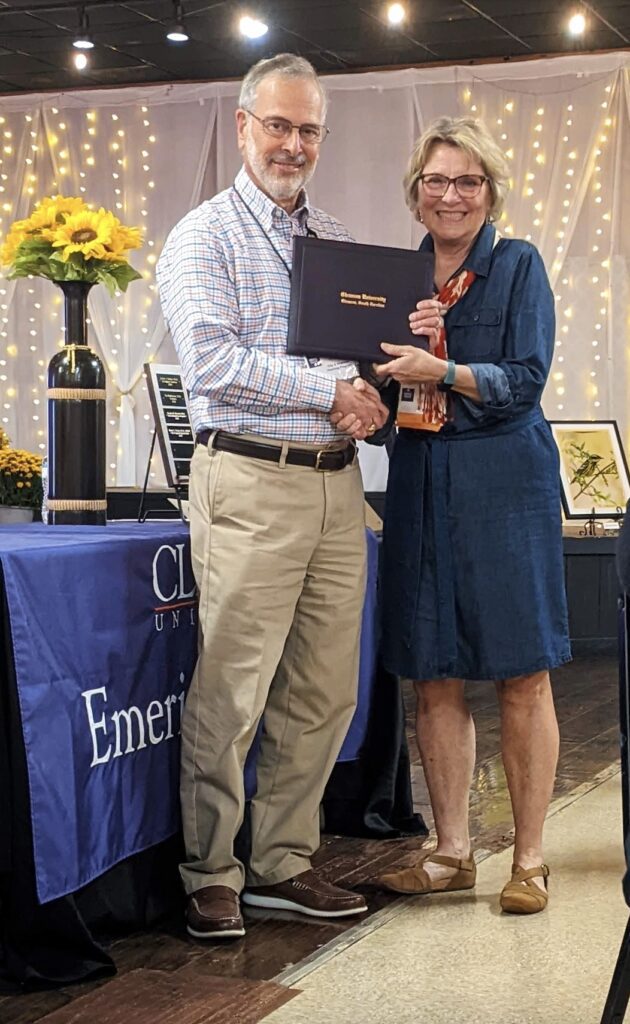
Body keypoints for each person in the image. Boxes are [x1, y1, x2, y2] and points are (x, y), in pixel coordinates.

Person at [156, 53, 388, 941]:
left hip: (337, 489)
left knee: (322, 694)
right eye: (278, 125)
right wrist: (331, 391)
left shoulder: (333, 241)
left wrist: (380, 377)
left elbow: (353, 362)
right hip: (249, 478)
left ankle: (283, 864)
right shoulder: (201, 236)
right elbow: (211, 363)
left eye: (309, 130)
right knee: (234, 691)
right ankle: (211, 871)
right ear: (245, 123)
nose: (293, 143)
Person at [373, 116, 571, 914]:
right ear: (416, 194)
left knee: (523, 672)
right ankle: (452, 851)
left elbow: (524, 379)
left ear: (490, 191)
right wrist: (368, 398)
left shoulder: (517, 265)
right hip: (420, 480)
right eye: (435, 182)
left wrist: (442, 368)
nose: (450, 196)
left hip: (505, 485)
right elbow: (381, 380)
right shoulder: (391, 277)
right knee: (433, 673)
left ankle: (529, 860)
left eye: (467, 182)